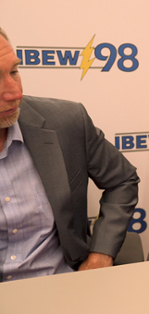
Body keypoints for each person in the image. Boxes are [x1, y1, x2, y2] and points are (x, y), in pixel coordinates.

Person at [0, 27, 140, 282]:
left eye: (14, 72)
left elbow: (122, 180)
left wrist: (101, 254)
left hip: (63, 287)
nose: (15, 93)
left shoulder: (65, 122)